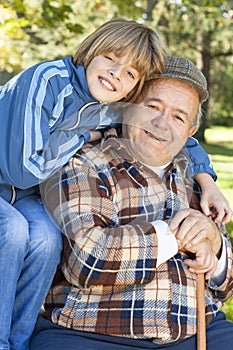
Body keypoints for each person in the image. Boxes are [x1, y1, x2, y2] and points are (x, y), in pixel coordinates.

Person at [30, 56, 233, 349]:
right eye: (152, 106)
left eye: (178, 117)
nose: (162, 123)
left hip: (198, 332)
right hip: (92, 333)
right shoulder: (85, 162)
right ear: (128, 106)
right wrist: (174, 236)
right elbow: (86, 260)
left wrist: (214, 244)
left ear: (190, 130)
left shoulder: (197, 178)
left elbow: (226, 286)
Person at [0, 18, 166, 350]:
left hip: (24, 195)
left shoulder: (107, 106)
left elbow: (176, 126)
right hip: (11, 183)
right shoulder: (47, 81)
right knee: (14, 231)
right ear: (92, 50)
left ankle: (18, 342)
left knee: (47, 237)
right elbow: (22, 170)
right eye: (111, 58)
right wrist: (83, 136)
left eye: (130, 73)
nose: (116, 73)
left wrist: (206, 178)